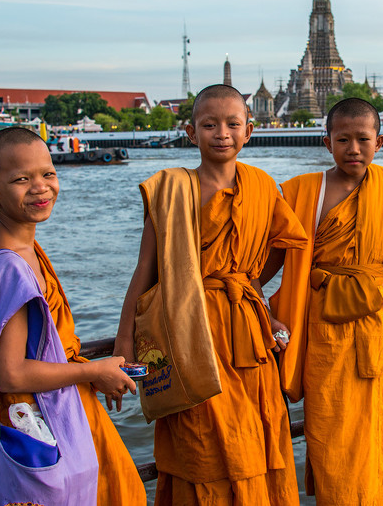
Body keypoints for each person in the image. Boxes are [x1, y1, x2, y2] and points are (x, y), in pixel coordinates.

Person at [115, 84, 307, 505]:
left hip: (248, 333)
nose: (222, 133)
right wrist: (124, 339)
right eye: (209, 124)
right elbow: (145, 270)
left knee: (256, 434)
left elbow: (281, 244)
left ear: (249, 131)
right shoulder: (170, 191)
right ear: (190, 132)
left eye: (232, 124)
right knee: (199, 438)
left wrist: (252, 291)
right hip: (188, 333)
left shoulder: (260, 185)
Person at [0, 127, 146, 505]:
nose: (40, 187)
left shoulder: (2, 241)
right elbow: (10, 373)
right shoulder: (11, 266)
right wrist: (94, 371)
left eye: (48, 174)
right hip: (36, 418)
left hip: (52, 401)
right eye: (21, 179)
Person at [263, 98, 383, 505]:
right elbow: (271, 258)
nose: (354, 148)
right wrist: (256, 301)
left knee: (372, 427)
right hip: (324, 329)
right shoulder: (303, 192)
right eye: (343, 139)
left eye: (363, 139)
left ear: (380, 142)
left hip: (372, 323)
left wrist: (358, 278)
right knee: (330, 428)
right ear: (327, 143)